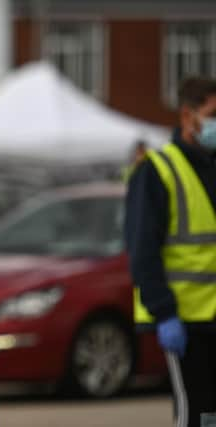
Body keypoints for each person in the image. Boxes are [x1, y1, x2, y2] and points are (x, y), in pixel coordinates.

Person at [125, 77, 216, 427]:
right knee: (194, 415)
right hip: (184, 321)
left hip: (211, 319)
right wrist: (164, 313)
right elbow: (142, 251)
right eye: (213, 113)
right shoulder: (157, 170)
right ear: (187, 114)